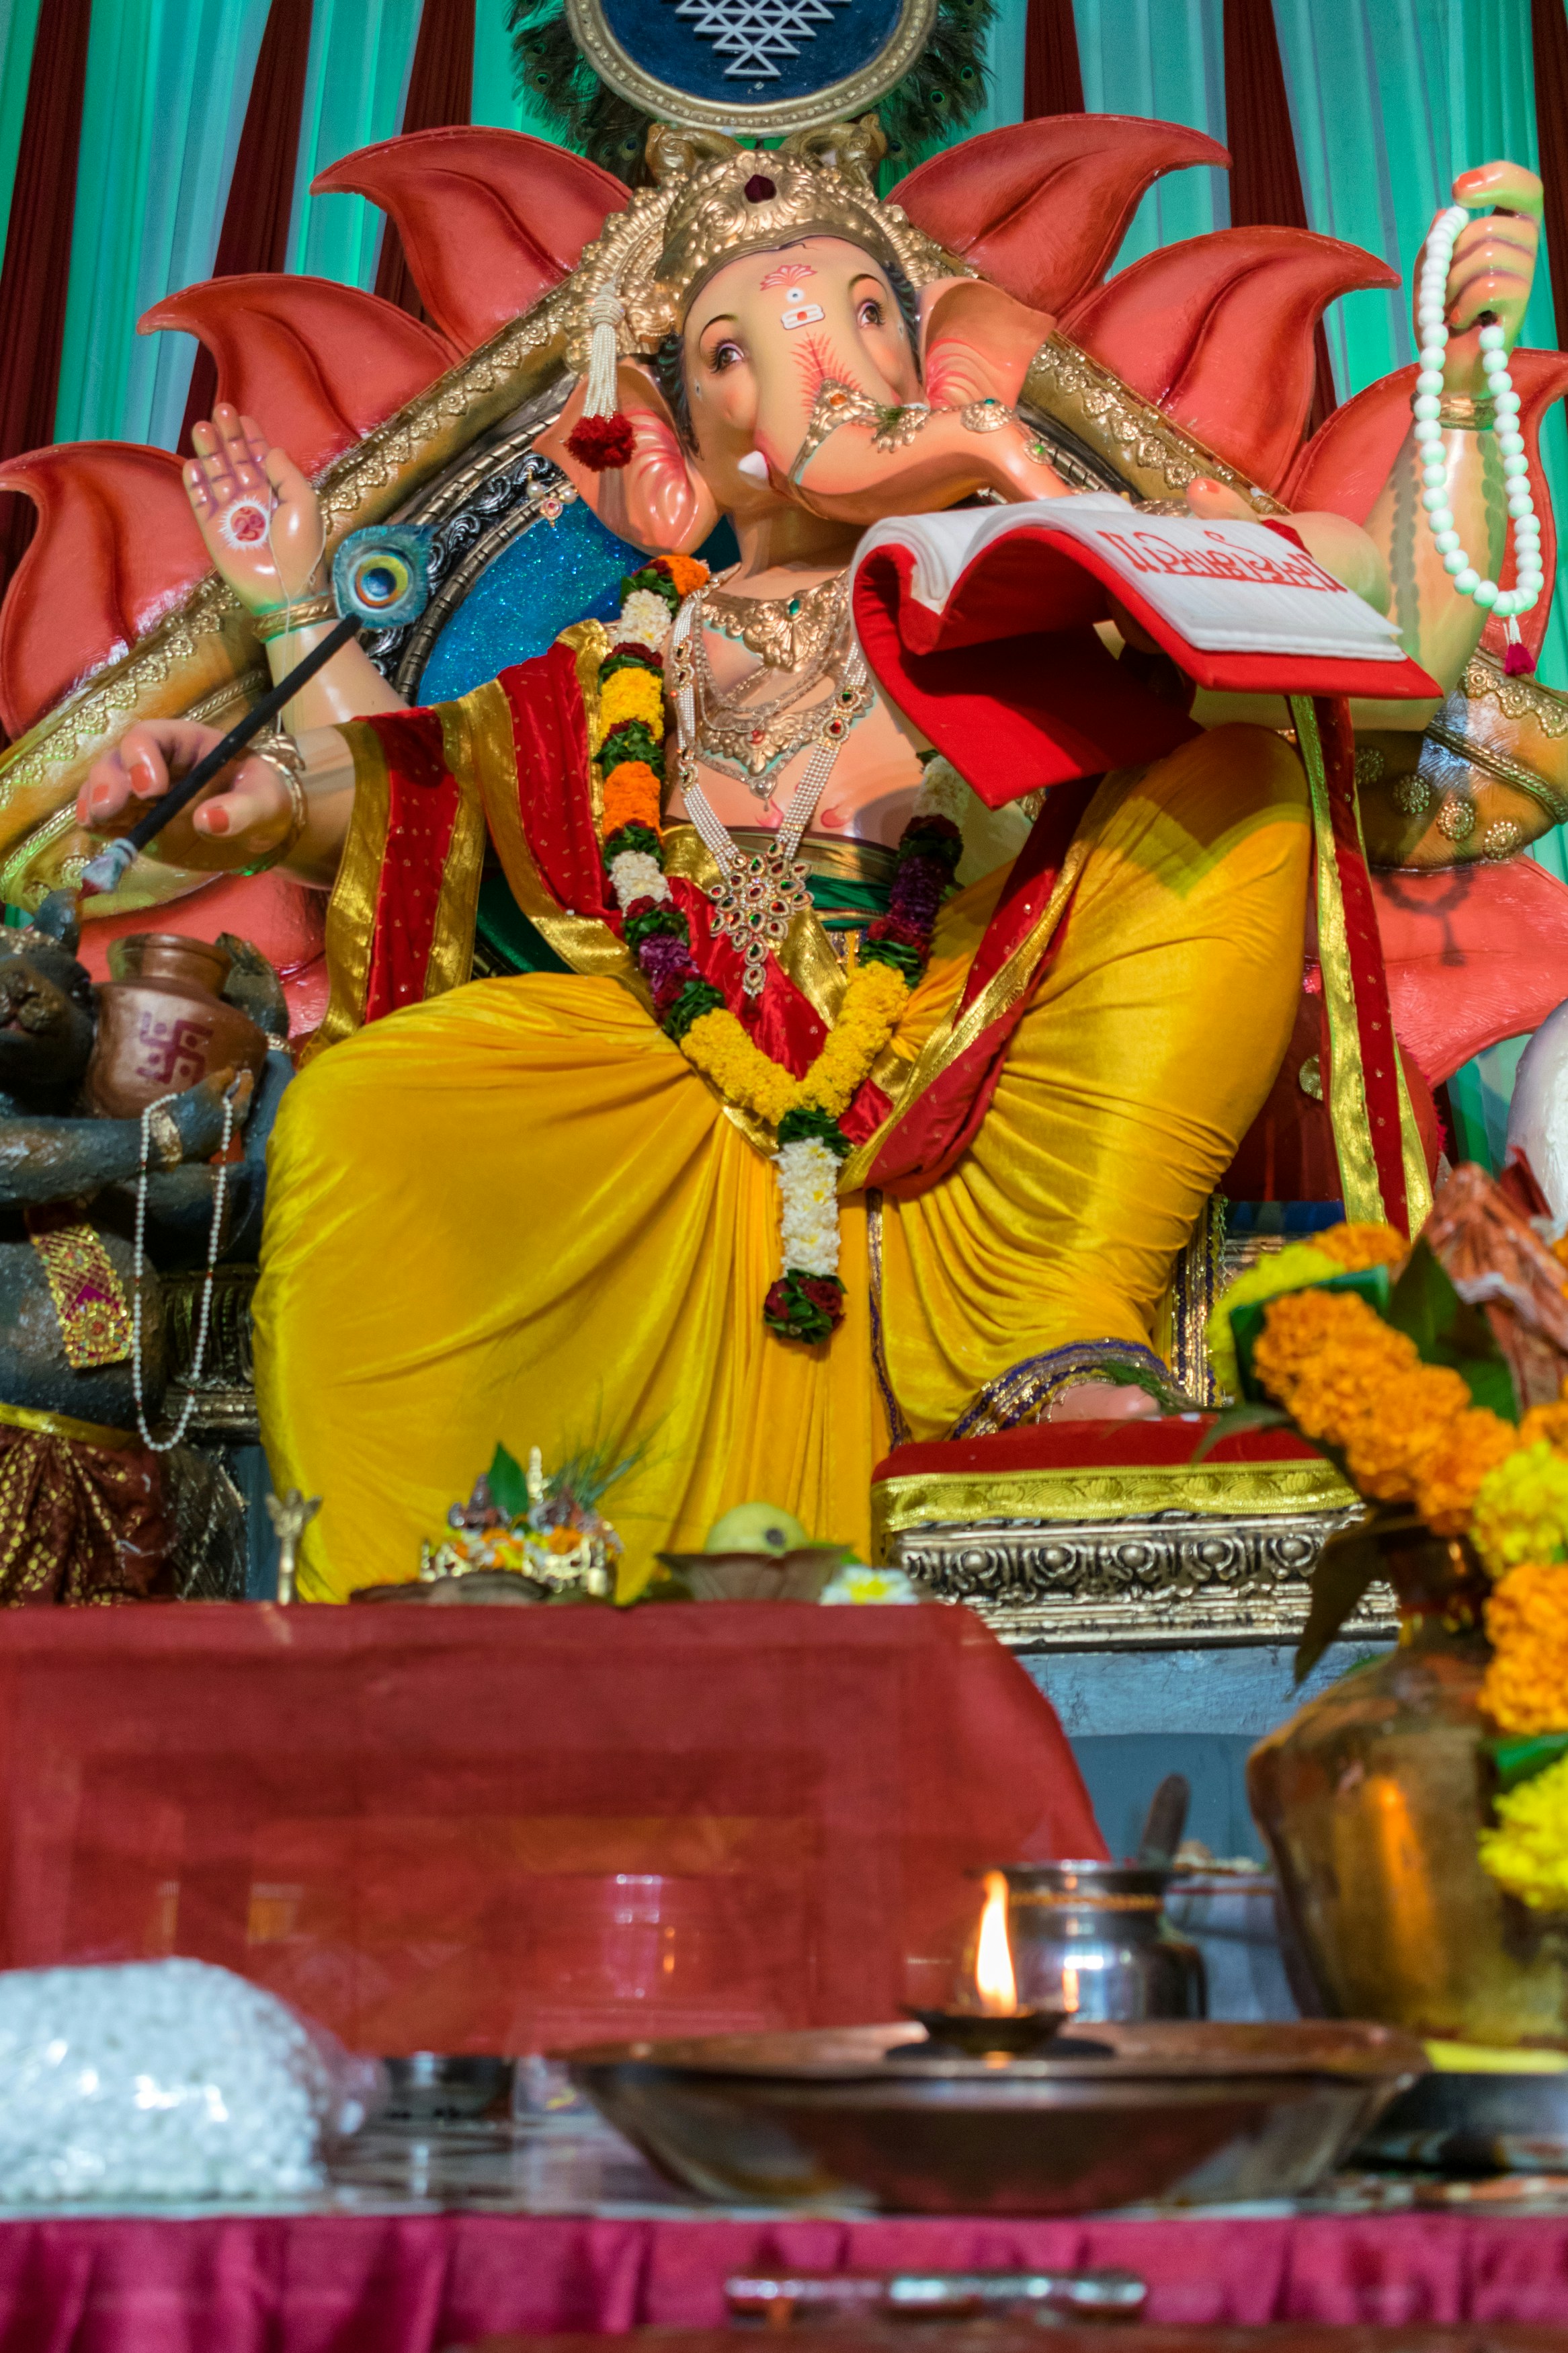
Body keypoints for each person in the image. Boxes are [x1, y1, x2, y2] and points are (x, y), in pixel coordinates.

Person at [79, 134, 1542, 1599]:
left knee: (1241, 792)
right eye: (736, 349)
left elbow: (1390, 649)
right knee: (362, 1109)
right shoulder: (627, 658)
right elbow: (405, 774)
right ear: (671, 440)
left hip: (968, 1111)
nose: (816, 366)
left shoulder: (1031, 613)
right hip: (663, 1070)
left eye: (864, 317)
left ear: (926, 367)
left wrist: (1466, 384)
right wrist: (238, 768)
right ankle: (438, 1594)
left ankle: (1051, 1334)